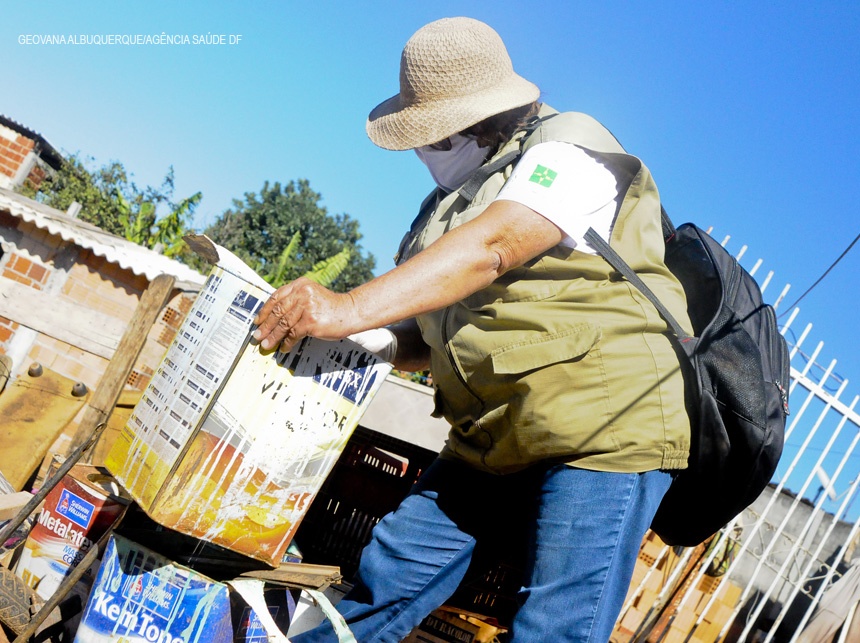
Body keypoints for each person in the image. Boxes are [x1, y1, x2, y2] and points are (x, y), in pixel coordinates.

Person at [254, 16, 692, 642]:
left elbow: (493, 247)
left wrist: (346, 306)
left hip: (605, 424)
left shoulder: (570, 150)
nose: (424, 151)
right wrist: (372, 339)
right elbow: (431, 334)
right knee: (388, 577)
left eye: (433, 136)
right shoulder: (448, 204)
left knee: (555, 627)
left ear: (478, 120)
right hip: (495, 435)